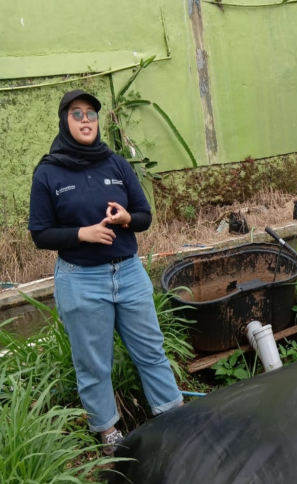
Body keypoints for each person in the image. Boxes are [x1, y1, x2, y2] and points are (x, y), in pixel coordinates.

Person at [28, 90, 183, 456]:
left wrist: (127, 218)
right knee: (94, 363)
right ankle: (109, 432)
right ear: (65, 120)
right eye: (77, 114)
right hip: (81, 280)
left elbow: (144, 216)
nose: (85, 120)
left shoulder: (115, 164)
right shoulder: (49, 172)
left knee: (151, 350)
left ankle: (173, 415)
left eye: (91, 115)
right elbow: (40, 233)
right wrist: (83, 234)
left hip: (128, 273)